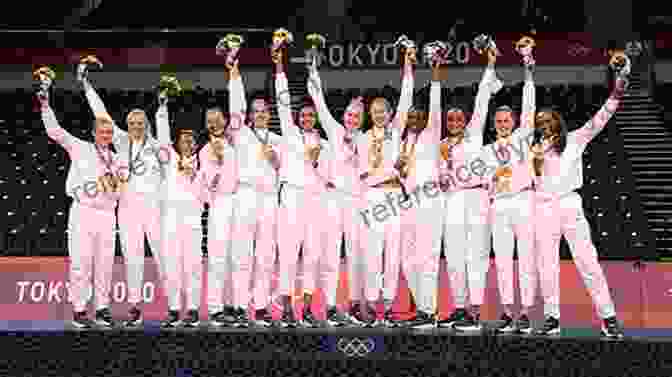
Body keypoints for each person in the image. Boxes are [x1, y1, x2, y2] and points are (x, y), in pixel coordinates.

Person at [528, 52, 629, 338]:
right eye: (539, 121)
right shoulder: (532, 149)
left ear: (557, 122)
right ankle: (551, 317)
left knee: (587, 260)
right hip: (543, 206)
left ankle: (608, 316)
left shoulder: (575, 139)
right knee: (546, 264)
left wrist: (617, 90)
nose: (543, 124)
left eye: (548, 120)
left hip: (570, 204)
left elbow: (601, 118)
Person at [79, 58, 164, 327]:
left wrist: (163, 105)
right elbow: (101, 114)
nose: (136, 125)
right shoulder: (121, 140)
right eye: (132, 122)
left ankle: (178, 306)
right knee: (133, 258)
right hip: (126, 210)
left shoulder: (158, 145)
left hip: (154, 208)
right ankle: (135, 306)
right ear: (127, 125)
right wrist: (85, 85)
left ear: (147, 124)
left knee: (165, 255)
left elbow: (166, 135)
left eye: (141, 122)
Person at [37, 67, 119, 328]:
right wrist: (45, 105)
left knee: (105, 264)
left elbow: (120, 189)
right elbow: (55, 131)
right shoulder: (79, 147)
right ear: (93, 132)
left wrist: (114, 185)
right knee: (81, 262)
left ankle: (103, 308)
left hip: (108, 215)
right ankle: (80, 308)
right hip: (83, 211)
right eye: (102, 131)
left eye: (109, 132)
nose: (106, 135)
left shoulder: (117, 160)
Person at [434, 46, 502, 330]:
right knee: (453, 255)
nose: (454, 122)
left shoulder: (475, 134)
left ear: (466, 120)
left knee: (476, 254)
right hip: (452, 200)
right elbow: (441, 181)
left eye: (458, 118)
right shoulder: (441, 146)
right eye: (450, 119)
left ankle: (475, 311)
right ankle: (460, 307)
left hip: (476, 198)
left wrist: (489, 63)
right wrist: (446, 164)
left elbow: (483, 99)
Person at [355, 40, 415, 327]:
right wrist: (391, 170)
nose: (379, 114)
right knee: (372, 252)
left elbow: (406, 96)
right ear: (370, 114)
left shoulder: (396, 132)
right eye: (375, 110)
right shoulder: (363, 139)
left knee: (393, 253)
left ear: (391, 114)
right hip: (373, 198)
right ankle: (369, 306)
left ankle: (388, 306)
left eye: (384, 110)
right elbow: (363, 175)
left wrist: (407, 61)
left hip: (394, 198)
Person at [273, 49, 334, 327]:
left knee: (312, 255)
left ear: (317, 118)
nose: (308, 118)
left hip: (316, 200)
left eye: (312, 115)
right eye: (304, 115)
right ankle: (286, 308)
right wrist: (279, 69)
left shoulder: (326, 144)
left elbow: (332, 178)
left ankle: (307, 309)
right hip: (292, 196)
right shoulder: (289, 134)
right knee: (288, 253)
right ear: (298, 118)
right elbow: (282, 104)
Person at [307, 57, 369, 327]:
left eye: (356, 115)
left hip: (356, 201)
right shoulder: (333, 130)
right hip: (333, 200)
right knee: (331, 253)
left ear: (361, 119)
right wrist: (313, 71)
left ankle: (354, 305)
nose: (351, 118)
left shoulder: (368, 140)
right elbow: (319, 101)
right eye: (348, 114)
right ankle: (331, 306)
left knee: (356, 254)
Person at [480, 46, 537, 334]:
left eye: (507, 121)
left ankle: (525, 312)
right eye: (499, 122)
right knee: (502, 260)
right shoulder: (487, 150)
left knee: (526, 257)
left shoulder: (522, 137)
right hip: (498, 204)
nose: (503, 124)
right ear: (493, 125)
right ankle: (505, 311)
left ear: (514, 123)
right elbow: (480, 179)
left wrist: (528, 71)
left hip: (523, 201)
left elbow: (529, 106)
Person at [230, 60, 285, 327]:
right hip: (246, 196)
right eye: (256, 111)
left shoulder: (278, 140)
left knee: (265, 256)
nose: (261, 114)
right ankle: (241, 307)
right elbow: (235, 103)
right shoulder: (241, 134)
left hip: (269, 200)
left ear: (270, 114)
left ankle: (261, 307)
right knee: (242, 254)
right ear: (250, 115)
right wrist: (234, 71)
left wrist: (275, 160)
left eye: (265, 111)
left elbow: (284, 170)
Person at [155, 84, 207, 328]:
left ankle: (193, 310)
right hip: (170, 219)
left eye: (190, 140)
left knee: (193, 266)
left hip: (193, 220)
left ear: (196, 144)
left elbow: (208, 194)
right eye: (182, 139)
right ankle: (174, 309)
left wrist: (193, 175)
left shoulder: (203, 164)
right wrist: (163, 107)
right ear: (177, 144)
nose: (186, 143)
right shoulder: (169, 160)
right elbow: (162, 135)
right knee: (172, 265)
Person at [396, 57, 442, 327]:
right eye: (410, 116)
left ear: (426, 119)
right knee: (407, 260)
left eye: (418, 116)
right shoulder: (405, 141)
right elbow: (404, 176)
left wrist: (435, 71)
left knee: (427, 258)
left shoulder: (431, 133)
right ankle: (424, 306)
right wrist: (400, 170)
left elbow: (435, 104)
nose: (414, 120)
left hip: (430, 199)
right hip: (409, 201)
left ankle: (429, 311)